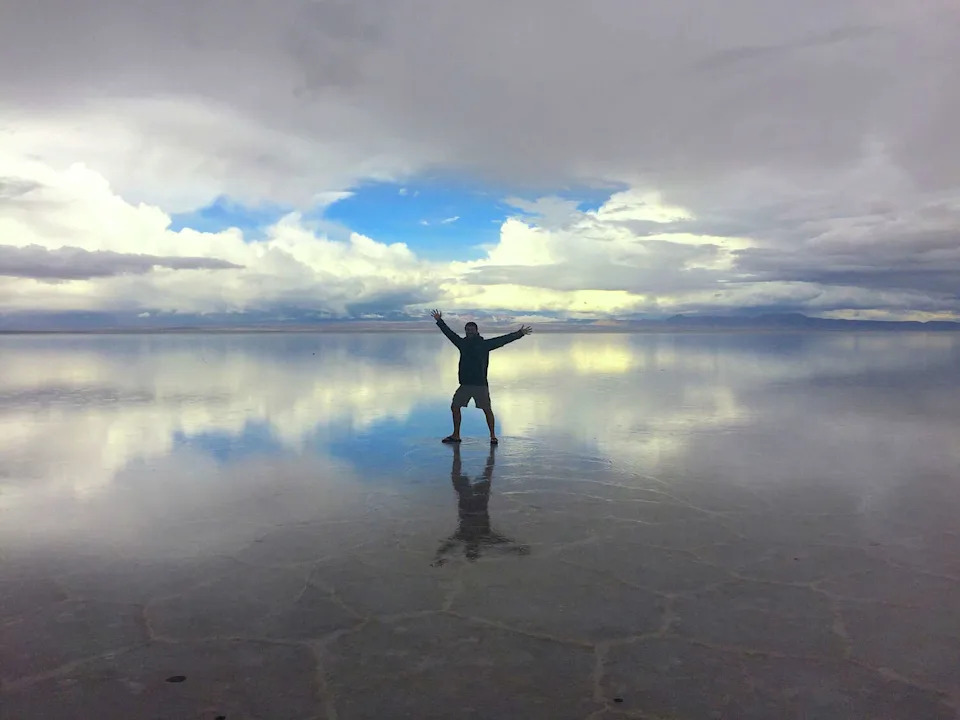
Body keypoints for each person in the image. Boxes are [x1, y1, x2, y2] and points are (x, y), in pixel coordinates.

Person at [430, 309, 532, 444]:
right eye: (467, 329)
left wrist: (519, 334)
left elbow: (503, 340)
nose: (469, 331)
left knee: (487, 409)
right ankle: (456, 435)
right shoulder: (462, 344)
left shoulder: (484, 345)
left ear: (476, 331)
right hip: (465, 384)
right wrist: (439, 321)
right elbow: (449, 334)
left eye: (472, 329)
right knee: (455, 406)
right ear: (465, 331)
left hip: (480, 384)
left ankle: (493, 436)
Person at [432, 443, 529, 565]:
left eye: (470, 548)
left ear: (468, 547)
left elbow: (449, 545)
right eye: (474, 548)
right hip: (476, 503)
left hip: (469, 502)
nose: (472, 545)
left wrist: (439, 556)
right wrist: (516, 548)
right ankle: (488, 454)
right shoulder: (483, 536)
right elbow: (502, 541)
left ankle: (464, 454)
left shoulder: (466, 536)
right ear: (477, 548)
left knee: (478, 476)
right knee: (484, 476)